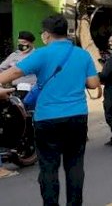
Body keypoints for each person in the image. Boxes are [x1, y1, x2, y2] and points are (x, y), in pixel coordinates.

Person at [0, 15, 101, 206]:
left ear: (46, 35)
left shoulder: (41, 54)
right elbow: (94, 83)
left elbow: (12, 73)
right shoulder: (82, 54)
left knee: (48, 168)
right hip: (77, 117)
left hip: (47, 119)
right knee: (75, 166)